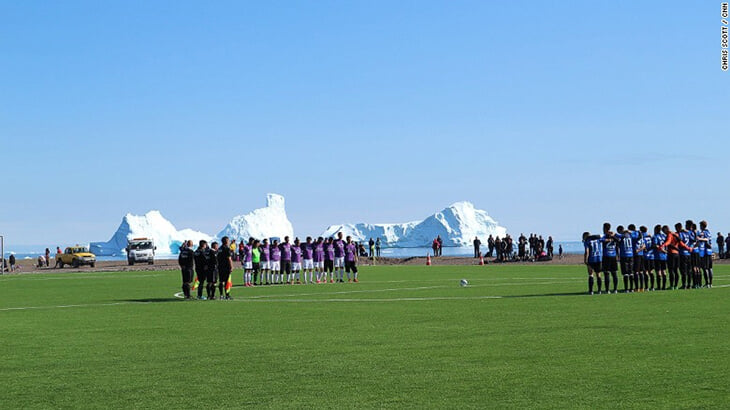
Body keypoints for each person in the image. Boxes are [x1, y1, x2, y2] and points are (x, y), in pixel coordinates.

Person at [659, 225, 691, 290]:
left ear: (666, 229)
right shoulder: (676, 234)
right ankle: (676, 285)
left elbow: (668, 241)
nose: (664, 233)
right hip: (677, 254)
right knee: (676, 270)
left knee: (671, 270)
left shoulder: (669, 234)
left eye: (663, 231)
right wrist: (688, 248)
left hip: (671, 254)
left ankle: (672, 286)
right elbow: (681, 243)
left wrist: (663, 245)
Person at [615, 226, 634, 292]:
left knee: (625, 273)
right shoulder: (630, 235)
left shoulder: (621, 236)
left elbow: (617, 240)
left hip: (624, 255)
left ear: (620, 230)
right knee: (631, 272)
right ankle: (631, 288)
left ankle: (626, 289)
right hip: (631, 255)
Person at [601, 223, 619, 294]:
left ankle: (607, 290)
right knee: (614, 273)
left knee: (607, 273)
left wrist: (607, 240)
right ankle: (615, 289)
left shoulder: (604, 236)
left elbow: (600, 240)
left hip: (606, 256)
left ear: (605, 228)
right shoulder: (614, 236)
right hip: (613, 256)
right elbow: (619, 241)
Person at [678, 223, 693, 289]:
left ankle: (684, 285)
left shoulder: (681, 234)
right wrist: (690, 248)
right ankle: (689, 284)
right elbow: (692, 241)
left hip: (682, 253)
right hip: (689, 254)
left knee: (683, 270)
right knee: (689, 270)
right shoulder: (688, 233)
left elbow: (680, 242)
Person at [652, 225, 668, 290]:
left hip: (658, 256)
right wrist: (665, 251)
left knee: (658, 271)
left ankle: (659, 287)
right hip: (664, 256)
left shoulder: (655, 236)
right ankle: (664, 286)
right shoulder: (664, 236)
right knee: (664, 271)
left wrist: (662, 250)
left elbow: (656, 245)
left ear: (656, 230)